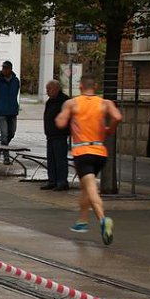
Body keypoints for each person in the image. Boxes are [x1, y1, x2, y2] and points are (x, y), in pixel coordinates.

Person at [55, 73, 123, 245]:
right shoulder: (105, 103)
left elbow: (60, 123)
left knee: (91, 189)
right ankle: (82, 221)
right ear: (95, 87)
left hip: (82, 152)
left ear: (80, 87)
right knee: (86, 187)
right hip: (100, 152)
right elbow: (118, 117)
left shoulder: (72, 103)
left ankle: (103, 220)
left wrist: (63, 118)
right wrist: (109, 129)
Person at [41, 80, 70, 191]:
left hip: (60, 134)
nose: (47, 91)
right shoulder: (50, 101)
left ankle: (62, 182)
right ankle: (52, 180)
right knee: (51, 159)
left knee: (60, 159)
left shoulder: (64, 101)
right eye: (47, 89)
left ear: (57, 89)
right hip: (50, 134)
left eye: (49, 89)